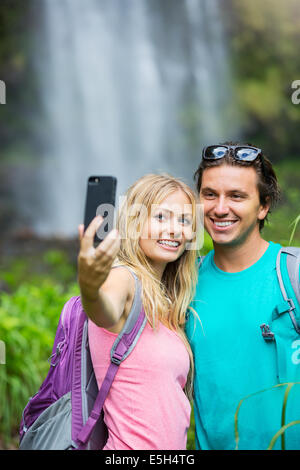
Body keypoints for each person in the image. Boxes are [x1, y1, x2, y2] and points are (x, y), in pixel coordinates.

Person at [185, 142, 300, 450]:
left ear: (263, 206)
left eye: (236, 196)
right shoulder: (183, 285)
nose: (220, 208)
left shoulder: (292, 273)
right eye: (210, 194)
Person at [77, 173, 201, 450]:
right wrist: (89, 283)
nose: (174, 230)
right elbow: (103, 309)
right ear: (134, 223)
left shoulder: (168, 300)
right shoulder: (123, 279)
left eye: (184, 220)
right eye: (161, 217)